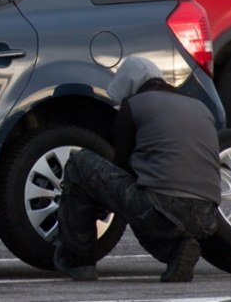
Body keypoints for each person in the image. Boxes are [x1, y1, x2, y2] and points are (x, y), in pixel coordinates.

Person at [53, 56, 221, 282]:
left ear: (129, 84)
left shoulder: (134, 105)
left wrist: (95, 204)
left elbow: (122, 169)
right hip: (207, 216)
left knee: (80, 164)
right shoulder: (198, 106)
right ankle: (176, 251)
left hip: (161, 207)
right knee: (146, 210)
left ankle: (78, 260)